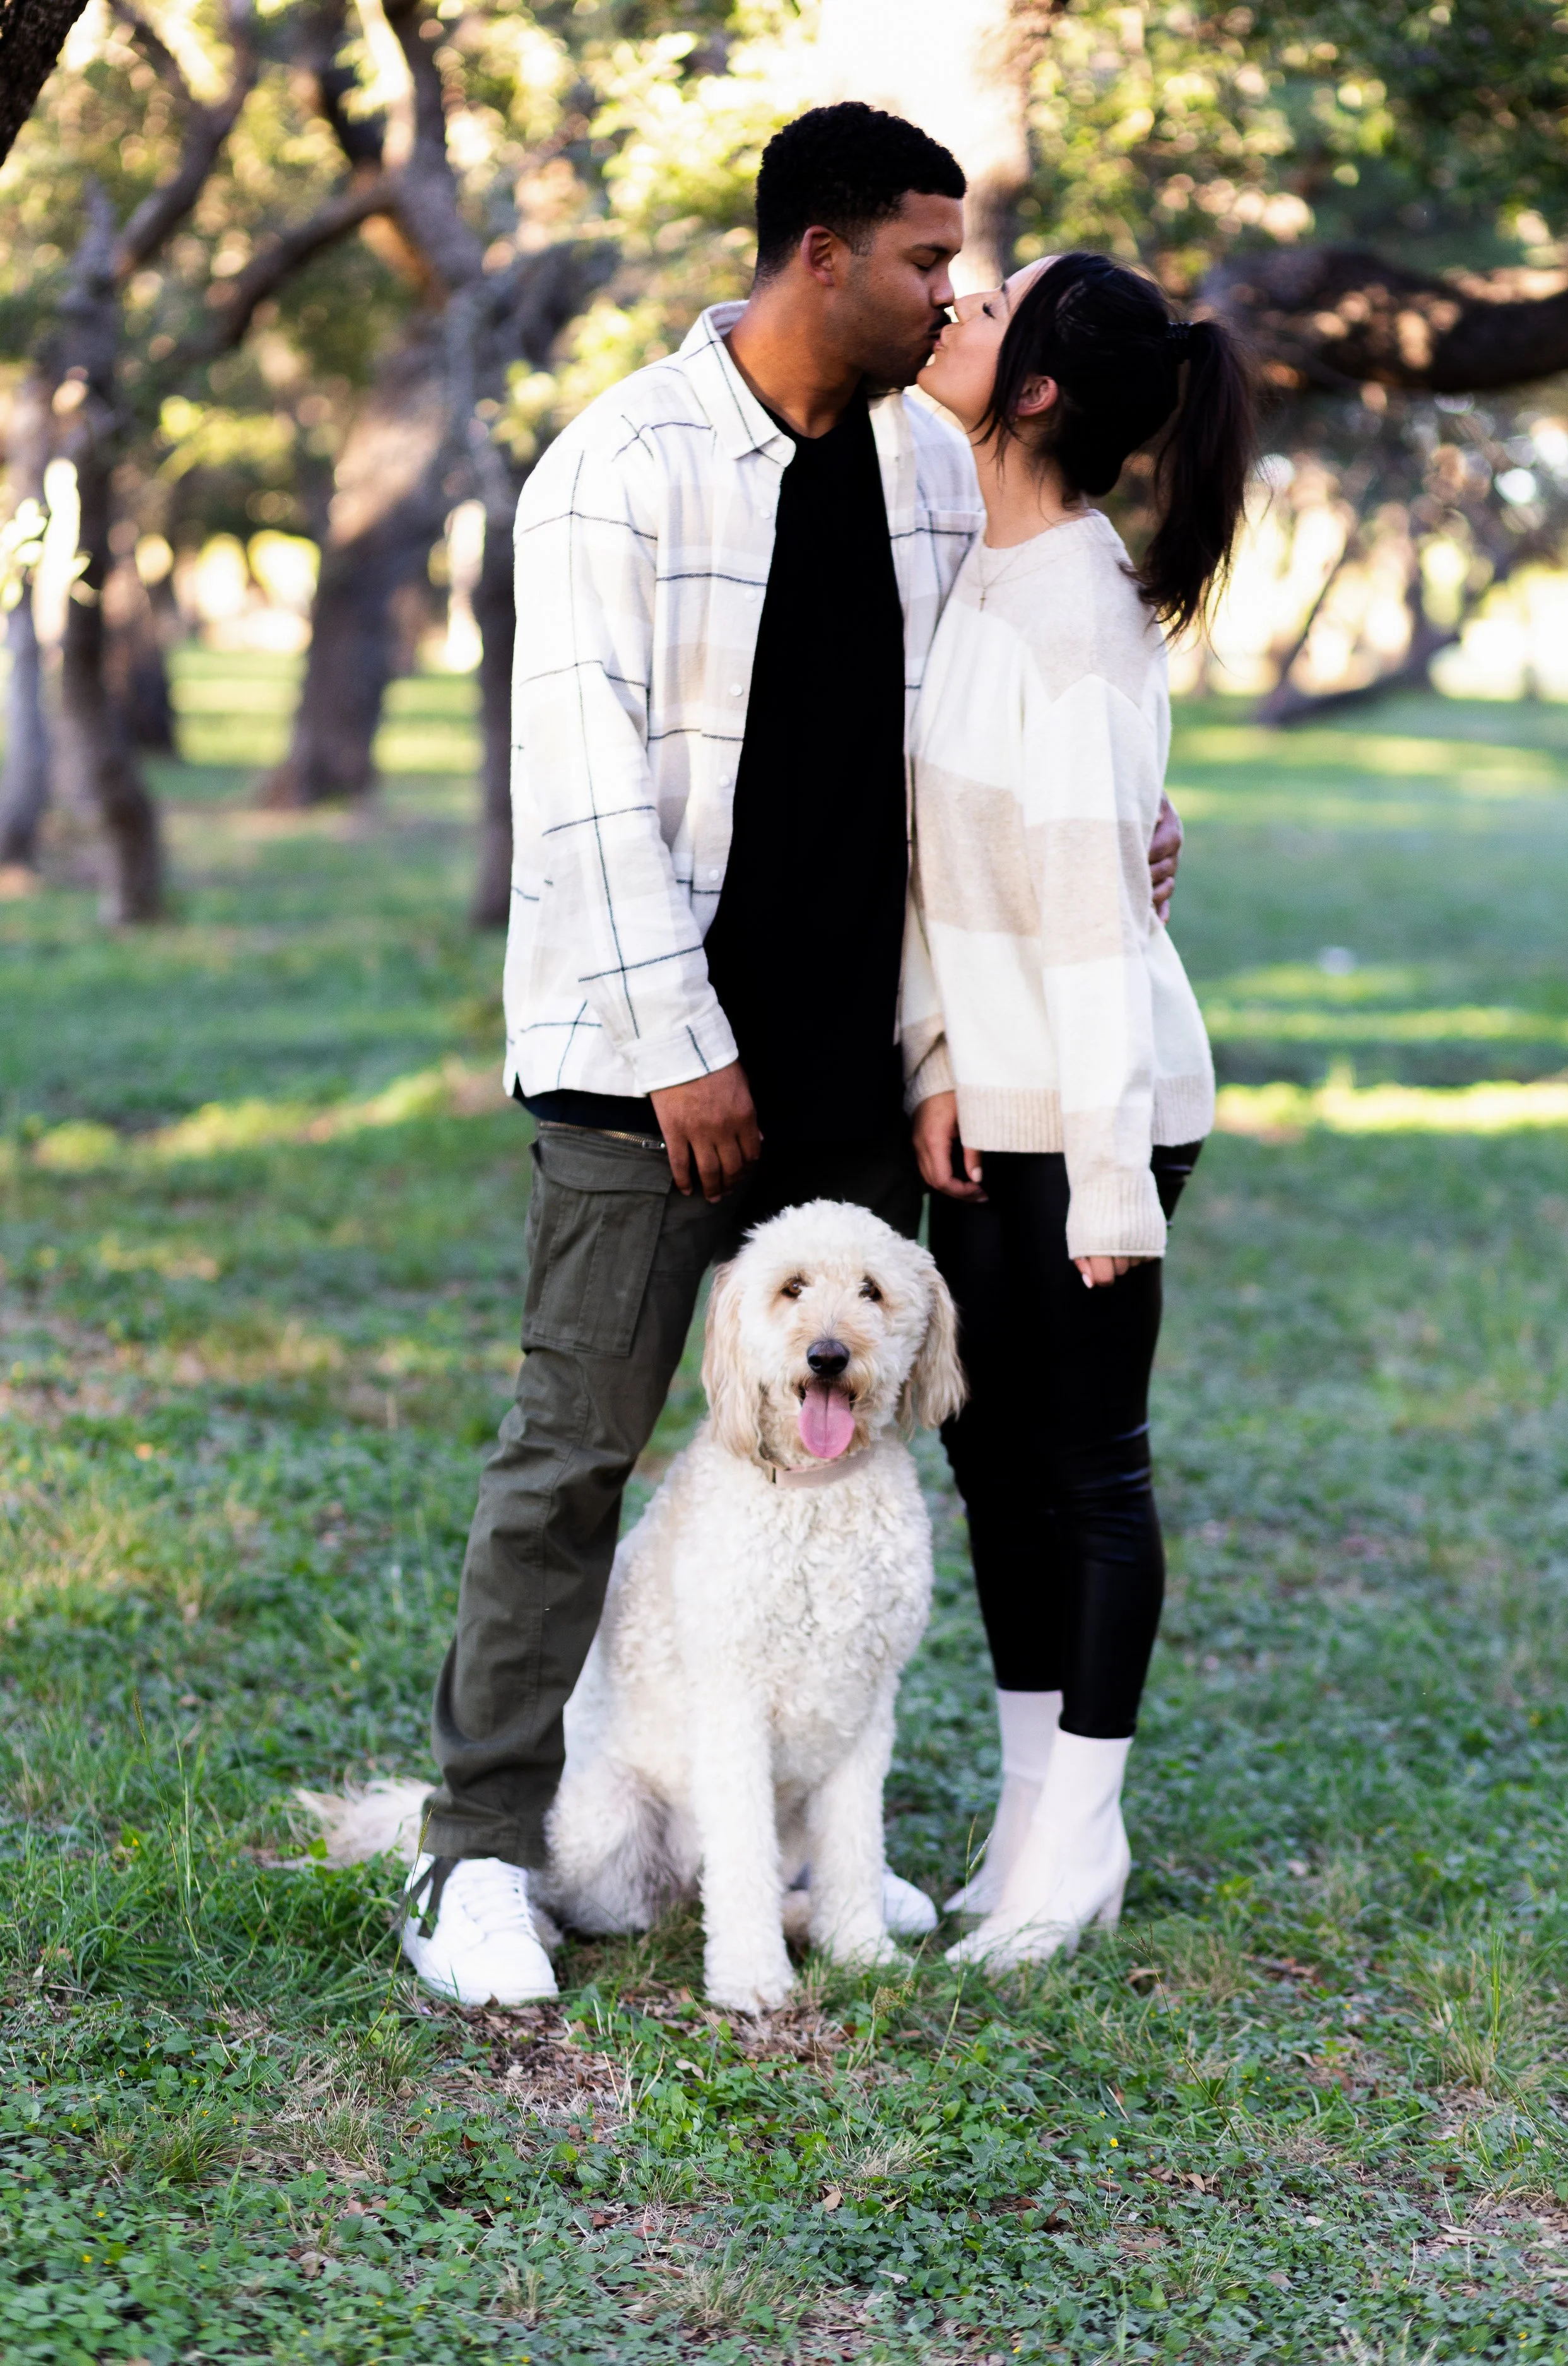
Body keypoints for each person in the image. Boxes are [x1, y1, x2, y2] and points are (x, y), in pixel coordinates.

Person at [404, 114, 1185, 2006]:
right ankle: (479, 1855)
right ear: (820, 254)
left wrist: (1073, 888)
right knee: (575, 1450)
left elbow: (970, 771)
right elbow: (581, 800)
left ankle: (836, 1842)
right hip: (635, 1062)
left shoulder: (936, 471)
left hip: (845, 1070)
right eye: (931, 260)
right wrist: (683, 1051)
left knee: (844, 1460)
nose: (951, 294)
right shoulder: (618, 470)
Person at [903, 250, 1252, 1967]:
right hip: (998, 1095)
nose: (952, 311)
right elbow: (957, 883)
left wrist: (1111, 1181)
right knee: (988, 1454)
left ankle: (1078, 1848)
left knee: (1086, 1468)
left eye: (986, 308)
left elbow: (1099, 930)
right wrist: (946, 1062)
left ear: (1034, 388)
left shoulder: (1075, 623)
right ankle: (1024, 1814)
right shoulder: (990, 564)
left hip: (1097, 1110)